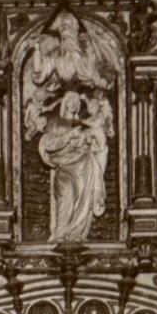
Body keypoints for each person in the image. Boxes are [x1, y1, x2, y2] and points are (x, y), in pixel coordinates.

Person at [37, 89, 111, 244]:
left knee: (84, 196)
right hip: (63, 168)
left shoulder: (83, 125)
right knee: (65, 199)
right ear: (65, 104)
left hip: (83, 168)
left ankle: (77, 232)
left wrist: (88, 139)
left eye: (76, 102)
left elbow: (97, 143)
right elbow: (48, 143)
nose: (73, 104)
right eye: (70, 101)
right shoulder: (55, 122)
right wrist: (68, 136)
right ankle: (60, 234)